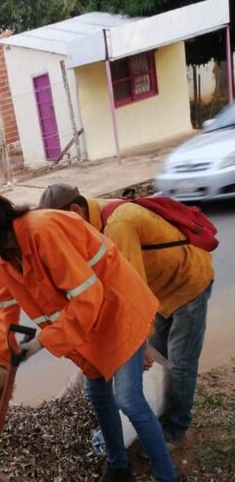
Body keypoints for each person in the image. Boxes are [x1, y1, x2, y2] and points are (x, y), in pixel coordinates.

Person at [0, 187, 189, 482]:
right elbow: (4, 309)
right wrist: (1, 365)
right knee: (97, 392)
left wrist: (43, 341)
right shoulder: (1, 258)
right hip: (87, 327)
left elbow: (89, 297)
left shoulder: (43, 231)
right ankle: (119, 471)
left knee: (129, 400)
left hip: (118, 310)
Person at [38, 183, 214, 449]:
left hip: (187, 282)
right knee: (160, 359)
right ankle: (164, 412)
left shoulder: (118, 226)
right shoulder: (87, 215)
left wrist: (139, 343)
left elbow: (131, 291)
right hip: (159, 291)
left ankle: (177, 429)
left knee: (179, 362)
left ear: (76, 211)